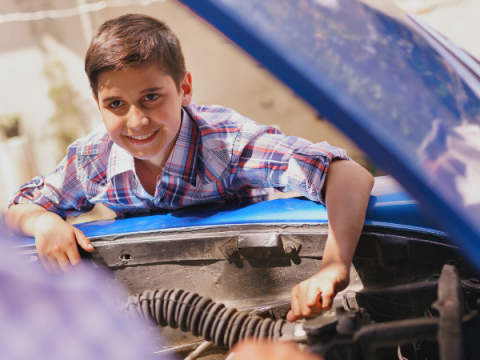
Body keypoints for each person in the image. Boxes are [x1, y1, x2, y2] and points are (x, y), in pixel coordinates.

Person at [5, 14, 374, 320]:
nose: (136, 121)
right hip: (155, 316)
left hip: (255, 301)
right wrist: (42, 221)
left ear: (185, 88)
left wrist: (332, 266)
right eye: (116, 104)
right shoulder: (92, 160)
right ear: (97, 102)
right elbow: (19, 208)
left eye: (151, 97)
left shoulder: (226, 144)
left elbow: (345, 172)